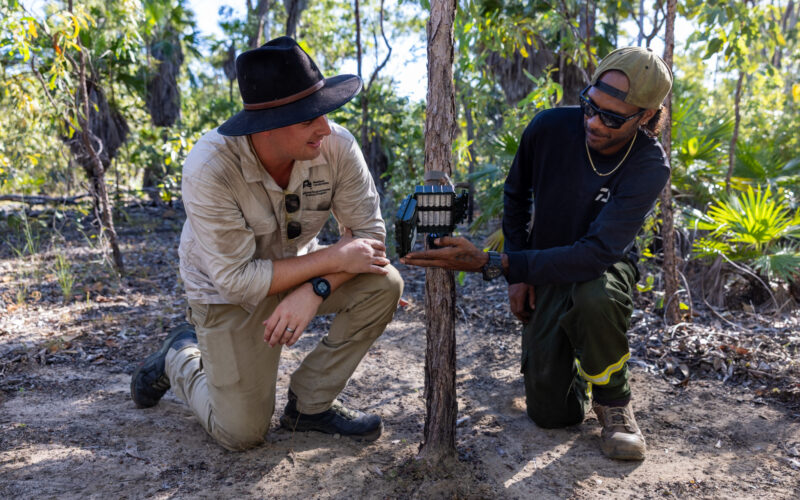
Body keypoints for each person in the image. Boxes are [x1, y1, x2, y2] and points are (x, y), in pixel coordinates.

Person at [130, 36, 403, 451]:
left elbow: (371, 238)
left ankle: (309, 407)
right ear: (268, 124)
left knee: (385, 283)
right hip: (226, 293)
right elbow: (237, 281)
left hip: (300, 273)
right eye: (308, 117)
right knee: (240, 433)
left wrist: (317, 289)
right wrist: (332, 258)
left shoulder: (337, 146)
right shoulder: (211, 166)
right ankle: (181, 356)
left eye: (324, 112)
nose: (324, 127)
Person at [401, 47, 672, 461]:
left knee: (593, 296)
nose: (594, 122)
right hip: (542, 264)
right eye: (590, 106)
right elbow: (516, 195)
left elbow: (595, 253)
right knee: (552, 415)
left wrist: (494, 262)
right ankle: (575, 363)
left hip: (603, 268)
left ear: (646, 118)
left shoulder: (649, 164)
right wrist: (518, 274)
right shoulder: (549, 127)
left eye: (613, 118)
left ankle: (614, 401)